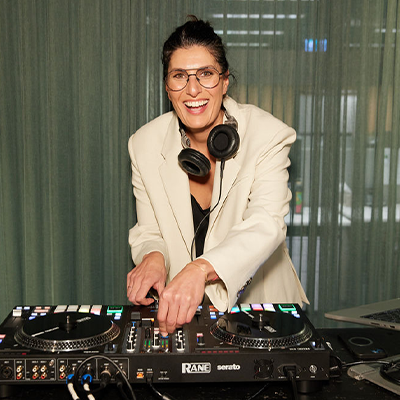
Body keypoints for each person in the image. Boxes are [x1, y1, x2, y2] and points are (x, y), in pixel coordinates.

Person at [127, 16, 308, 337]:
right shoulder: (143, 144)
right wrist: (153, 256)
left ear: (225, 82)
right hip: (186, 315)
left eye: (206, 74)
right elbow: (150, 230)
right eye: (179, 76)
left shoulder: (268, 134)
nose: (192, 89)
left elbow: (267, 224)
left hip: (262, 312)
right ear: (167, 87)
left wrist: (200, 269)